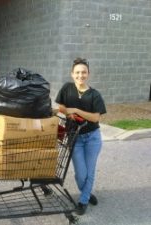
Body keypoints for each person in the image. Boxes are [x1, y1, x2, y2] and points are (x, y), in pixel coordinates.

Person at [55, 57, 106, 215]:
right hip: (74, 137)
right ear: (72, 74)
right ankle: (87, 192)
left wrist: (76, 110)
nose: (80, 75)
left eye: (84, 72)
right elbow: (61, 107)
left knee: (89, 172)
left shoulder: (94, 95)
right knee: (80, 174)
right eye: (77, 72)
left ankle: (83, 201)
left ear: (88, 74)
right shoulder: (66, 88)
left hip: (92, 138)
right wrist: (68, 112)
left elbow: (96, 118)